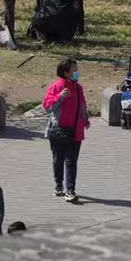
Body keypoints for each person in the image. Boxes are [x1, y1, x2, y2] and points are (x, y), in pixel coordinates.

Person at [42, 56, 90, 203]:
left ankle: (70, 190)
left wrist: (85, 119)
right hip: (58, 131)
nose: (77, 72)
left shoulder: (78, 88)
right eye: (74, 69)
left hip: (76, 131)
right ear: (65, 72)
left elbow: (82, 105)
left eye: (77, 69)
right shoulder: (57, 87)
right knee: (58, 160)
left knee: (71, 162)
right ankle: (58, 185)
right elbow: (47, 107)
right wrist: (60, 97)